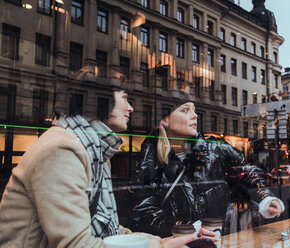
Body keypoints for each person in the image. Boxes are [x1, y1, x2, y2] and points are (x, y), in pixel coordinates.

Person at [0, 87, 217, 248]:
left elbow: (109, 229)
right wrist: (160, 245)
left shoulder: (95, 148)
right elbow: (78, 244)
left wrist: (162, 242)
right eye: (124, 98)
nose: (131, 107)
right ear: (100, 100)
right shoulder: (62, 149)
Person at [130, 100, 284, 238]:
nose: (195, 115)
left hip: (222, 239)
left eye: (194, 110)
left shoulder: (214, 148)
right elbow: (143, 211)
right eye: (185, 110)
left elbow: (247, 172)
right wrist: (183, 230)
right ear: (165, 121)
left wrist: (265, 198)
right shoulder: (151, 159)